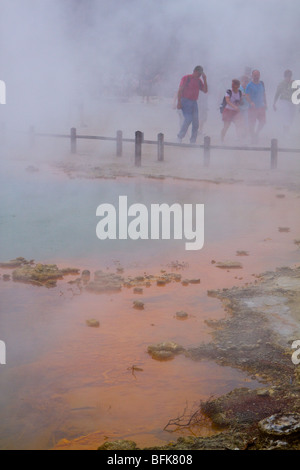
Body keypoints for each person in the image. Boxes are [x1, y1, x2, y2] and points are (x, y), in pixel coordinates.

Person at [176, 65, 208, 143]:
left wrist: (205, 79)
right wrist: (179, 102)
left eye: (200, 74)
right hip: (185, 101)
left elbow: (205, 90)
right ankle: (180, 136)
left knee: (196, 122)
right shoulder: (187, 78)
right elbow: (180, 90)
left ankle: (193, 141)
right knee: (188, 119)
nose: (199, 76)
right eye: (198, 74)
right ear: (194, 72)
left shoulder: (199, 81)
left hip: (194, 102)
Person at [245, 70, 267, 143]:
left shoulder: (261, 84)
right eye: (254, 75)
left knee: (263, 122)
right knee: (252, 124)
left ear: (259, 76)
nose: (256, 77)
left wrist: (265, 103)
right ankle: (253, 138)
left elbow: (263, 94)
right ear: (252, 76)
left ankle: (256, 133)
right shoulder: (249, 85)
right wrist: (251, 102)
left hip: (261, 106)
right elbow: (247, 96)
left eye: (257, 75)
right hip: (252, 108)